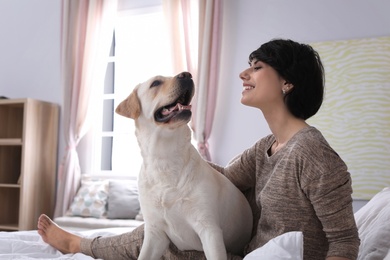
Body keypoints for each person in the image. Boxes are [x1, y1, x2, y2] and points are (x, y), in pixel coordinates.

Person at [38, 38, 360, 260]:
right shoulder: (266, 147)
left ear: (287, 83)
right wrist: (162, 168)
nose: (243, 73)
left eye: (257, 67)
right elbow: (218, 177)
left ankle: (78, 243)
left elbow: (344, 240)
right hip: (246, 251)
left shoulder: (313, 153)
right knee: (157, 228)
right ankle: (78, 242)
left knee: (160, 241)